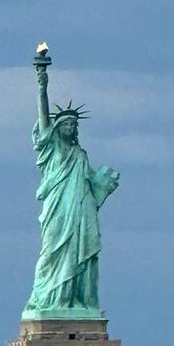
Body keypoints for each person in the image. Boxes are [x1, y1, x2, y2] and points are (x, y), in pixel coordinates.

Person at [25, 49, 119, 313]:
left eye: (74, 125)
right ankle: (47, 299)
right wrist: (42, 84)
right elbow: (43, 119)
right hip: (58, 208)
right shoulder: (51, 149)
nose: (71, 128)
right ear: (58, 128)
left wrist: (105, 184)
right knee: (51, 252)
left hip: (80, 210)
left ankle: (76, 301)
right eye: (66, 124)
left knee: (79, 254)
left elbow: (91, 186)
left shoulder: (80, 155)